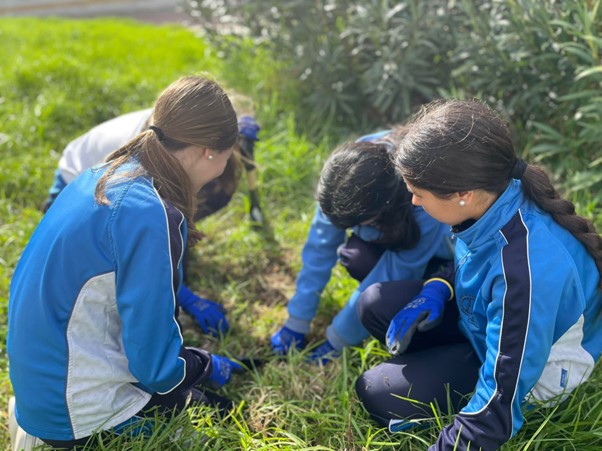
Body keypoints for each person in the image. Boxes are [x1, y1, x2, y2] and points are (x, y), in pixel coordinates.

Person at [7, 76, 248, 449]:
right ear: (208, 152)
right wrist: (204, 365)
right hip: (71, 415)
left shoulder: (102, 173)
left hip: (36, 384)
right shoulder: (151, 214)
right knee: (206, 419)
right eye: (229, 155)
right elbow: (156, 367)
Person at [354, 99, 602, 450]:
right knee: (374, 304)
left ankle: (446, 371)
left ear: (462, 195)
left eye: (419, 194)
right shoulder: (494, 197)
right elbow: (476, 263)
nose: (414, 203)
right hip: (489, 326)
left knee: (376, 391)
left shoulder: (526, 268)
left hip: (533, 372)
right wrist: (438, 287)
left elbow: (500, 402)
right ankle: (444, 365)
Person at [41, 92, 263, 338]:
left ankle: (175, 233)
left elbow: (222, 106)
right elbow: (138, 265)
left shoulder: (178, 133)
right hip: (71, 192)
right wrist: (185, 296)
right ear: (205, 150)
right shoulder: (140, 181)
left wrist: (239, 126)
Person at [270, 127, 453, 364]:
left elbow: (394, 270)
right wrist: (297, 319)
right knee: (357, 258)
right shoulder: (347, 172)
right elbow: (320, 247)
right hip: (395, 230)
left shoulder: (423, 194)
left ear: (382, 208)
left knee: (378, 290)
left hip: (445, 255)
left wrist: (337, 340)